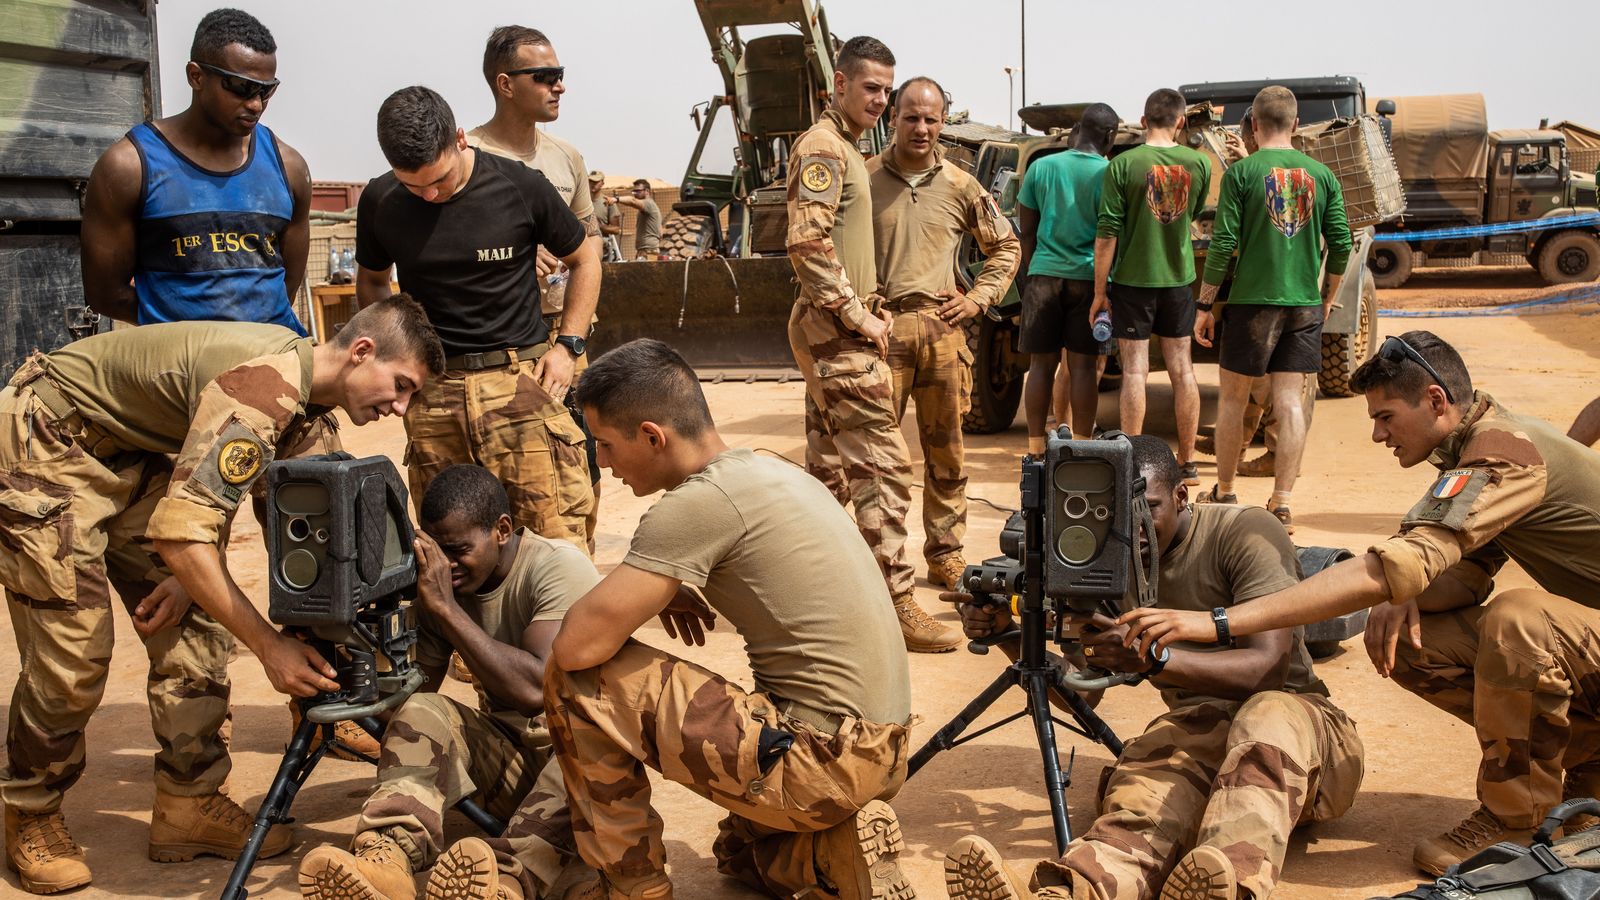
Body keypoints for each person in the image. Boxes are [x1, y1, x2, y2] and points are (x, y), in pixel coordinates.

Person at [0, 297, 443, 894]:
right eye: (401, 385)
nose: (400, 407)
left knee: (197, 627)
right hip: (51, 440)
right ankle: (30, 810)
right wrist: (268, 645)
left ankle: (187, 803)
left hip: (133, 451)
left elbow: (271, 512)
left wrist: (188, 577)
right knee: (74, 653)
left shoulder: (310, 410)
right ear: (362, 351)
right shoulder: (266, 389)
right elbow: (184, 532)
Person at [1120, 330, 1600, 876]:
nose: (1376, 434)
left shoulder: (1503, 453)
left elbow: (1394, 563)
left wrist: (1218, 622)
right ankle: (1592, 763)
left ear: (1436, 401)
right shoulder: (1470, 447)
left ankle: (1516, 817)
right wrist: (1404, 587)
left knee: (1520, 621)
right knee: (1412, 638)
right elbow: (1463, 570)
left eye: (1387, 417)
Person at [545, 338, 916, 900]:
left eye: (604, 444)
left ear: (652, 437)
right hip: (882, 754)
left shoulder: (695, 506)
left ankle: (631, 885)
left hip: (819, 760)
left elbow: (577, 646)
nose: (602, 463)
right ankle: (834, 858)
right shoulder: (769, 470)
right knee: (737, 854)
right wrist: (668, 584)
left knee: (574, 676)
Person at [944, 435, 1363, 900]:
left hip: (1304, 739)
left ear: (1183, 495)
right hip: (1198, 732)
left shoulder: (1245, 531)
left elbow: (1266, 670)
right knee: (1140, 801)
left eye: (1150, 510)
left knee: (1264, 715)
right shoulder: (1106, 563)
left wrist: (1154, 659)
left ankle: (1232, 886)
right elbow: (1085, 690)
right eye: (1119, 519)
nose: (1134, 532)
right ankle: (1067, 894)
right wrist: (1008, 636)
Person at [298, 465, 595, 900]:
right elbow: (407, 704)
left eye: (458, 550)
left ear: (502, 529)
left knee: (583, 750)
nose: (447, 566)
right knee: (423, 713)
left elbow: (537, 692)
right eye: (438, 551)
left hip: (586, 766)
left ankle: (507, 882)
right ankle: (388, 857)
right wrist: (350, 634)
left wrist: (446, 611)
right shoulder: (442, 590)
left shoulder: (556, 569)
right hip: (510, 764)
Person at [355, 86, 599, 551]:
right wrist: (392, 360)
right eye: (413, 185)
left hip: (520, 388)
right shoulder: (381, 200)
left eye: (439, 179)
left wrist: (568, 346)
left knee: (551, 541)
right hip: (434, 396)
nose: (428, 194)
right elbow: (372, 281)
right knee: (450, 551)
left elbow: (586, 261)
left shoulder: (520, 186)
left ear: (461, 140)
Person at [786, 37, 950, 652]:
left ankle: (824, 594)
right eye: (871, 88)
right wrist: (861, 315)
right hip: (841, 333)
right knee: (882, 468)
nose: (881, 100)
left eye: (887, 88)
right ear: (840, 84)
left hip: (839, 330)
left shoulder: (848, 148)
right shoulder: (826, 147)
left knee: (828, 469)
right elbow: (807, 244)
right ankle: (894, 602)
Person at [868, 76, 1020, 595]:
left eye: (931, 119)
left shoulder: (961, 185)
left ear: (942, 123)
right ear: (893, 117)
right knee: (872, 458)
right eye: (911, 116)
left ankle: (946, 554)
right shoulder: (861, 181)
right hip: (878, 334)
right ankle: (873, 562)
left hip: (941, 330)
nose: (922, 128)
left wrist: (978, 298)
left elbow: (1006, 246)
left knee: (948, 452)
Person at [80, 8, 310, 334]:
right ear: (196, 76)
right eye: (240, 87)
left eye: (265, 90)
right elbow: (106, 294)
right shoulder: (129, 167)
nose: (256, 104)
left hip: (273, 363)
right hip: (181, 372)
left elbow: (287, 286)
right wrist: (190, 337)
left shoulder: (289, 168)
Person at [465, 24, 607, 551]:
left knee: (578, 468)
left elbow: (589, 242)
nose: (559, 86)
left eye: (561, 76)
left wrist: (571, 342)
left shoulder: (565, 157)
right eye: (545, 76)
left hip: (561, 336)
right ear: (505, 84)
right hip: (495, 343)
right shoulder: (465, 155)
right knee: (499, 479)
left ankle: (572, 579)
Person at [1193, 86, 1351, 532]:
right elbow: (1340, 242)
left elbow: (1223, 243)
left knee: (1233, 398)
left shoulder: (1243, 173)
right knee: (1289, 401)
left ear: (1256, 125)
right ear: (1296, 125)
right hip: (1302, 303)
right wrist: (1327, 297)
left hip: (1250, 304)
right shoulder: (1322, 175)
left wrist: (1205, 303)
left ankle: (1224, 491)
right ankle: (1282, 501)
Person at [1089, 88, 1209, 484]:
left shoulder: (1122, 165)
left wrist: (1099, 292)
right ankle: (1188, 462)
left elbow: (1107, 233)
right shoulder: (1198, 163)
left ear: (1142, 121)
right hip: (1179, 281)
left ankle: (1134, 461)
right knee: (1182, 370)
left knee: (1136, 372)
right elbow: (1191, 212)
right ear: (1180, 122)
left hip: (1132, 282)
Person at [1017, 103, 1120, 449]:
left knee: (1041, 366)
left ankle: (1034, 447)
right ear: (1109, 136)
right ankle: (1082, 445)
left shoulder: (1040, 167)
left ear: (1077, 131)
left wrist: (1034, 274)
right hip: (1089, 281)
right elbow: (1114, 234)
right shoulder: (1110, 174)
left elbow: (1026, 230)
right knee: (1083, 367)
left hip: (1043, 274)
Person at [614, 180, 663, 259]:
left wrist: (616, 199)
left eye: (638, 191)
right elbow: (660, 232)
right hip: (646, 249)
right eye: (634, 191)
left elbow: (633, 201)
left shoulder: (648, 204)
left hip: (648, 250)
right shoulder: (648, 207)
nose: (635, 194)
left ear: (647, 191)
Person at [591, 171, 624, 262]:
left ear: (602, 183)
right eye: (590, 181)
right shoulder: (582, 202)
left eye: (596, 182)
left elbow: (616, 229)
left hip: (602, 248)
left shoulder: (607, 203)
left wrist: (599, 226)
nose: (592, 184)